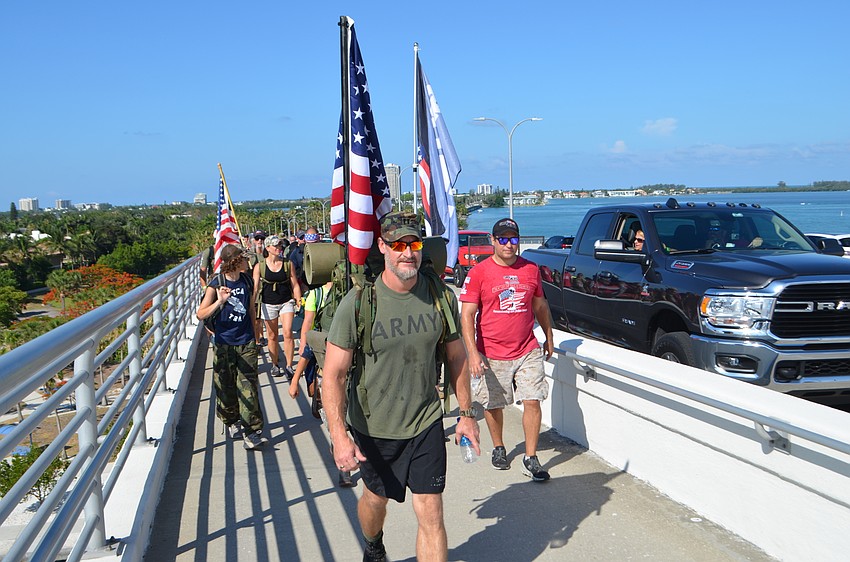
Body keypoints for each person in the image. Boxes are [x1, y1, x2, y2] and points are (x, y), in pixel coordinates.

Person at [322, 211, 480, 562]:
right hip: (375, 427)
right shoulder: (359, 304)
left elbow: (457, 357)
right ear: (383, 247)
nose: (407, 252)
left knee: (431, 512)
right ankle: (373, 543)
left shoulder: (440, 297)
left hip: (425, 422)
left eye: (414, 243)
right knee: (375, 502)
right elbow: (333, 374)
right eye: (398, 245)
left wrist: (466, 415)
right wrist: (338, 436)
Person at [459, 217, 554, 481]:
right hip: (491, 351)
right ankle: (499, 447)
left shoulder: (531, 270)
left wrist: (548, 335)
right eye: (503, 239)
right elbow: (467, 315)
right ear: (493, 241)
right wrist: (473, 353)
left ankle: (531, 457)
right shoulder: (479, 273)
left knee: (533, 400)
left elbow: (540, 306)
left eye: (513, 239)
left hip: (527, 349)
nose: (509, 244)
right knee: (493, 405)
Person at [196, 244, 268, 450]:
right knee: (226, 388)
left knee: (249, 388)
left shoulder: (246, 280)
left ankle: (252, 431)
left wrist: (255, 336)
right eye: (243, 258)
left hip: (245, 342)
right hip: (223, 343)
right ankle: (231, 420)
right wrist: (220, 301)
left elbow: (250, 309)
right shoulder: (216, 283)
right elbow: (201, 314)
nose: (247, 261)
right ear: (235, 261)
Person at [253, 235, 301, 378]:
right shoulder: (259, 266)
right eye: (276, 246)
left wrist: (298, 299)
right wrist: (252, 304)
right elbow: (255, 287)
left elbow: (295, 283)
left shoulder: (288, 264)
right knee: (272, 335)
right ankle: (275, 364)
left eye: (280, 245)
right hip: (268, 303)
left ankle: (289, 365)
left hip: (286, 301)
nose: (279, 248)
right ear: (268, 248)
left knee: (287, 332)